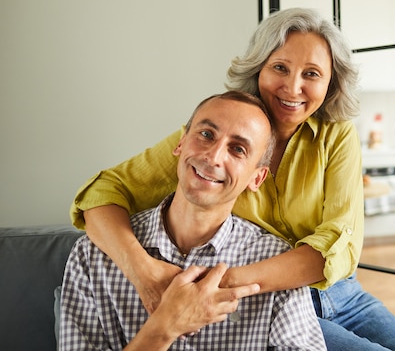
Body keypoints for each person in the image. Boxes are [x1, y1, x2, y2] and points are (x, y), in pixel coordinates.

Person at [69, 8, 395, 351]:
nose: (292, 87)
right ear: (258, 67)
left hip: (340, 293)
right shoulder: (214, 135)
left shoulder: (336, 136)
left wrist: (215, 284)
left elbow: (339, 244)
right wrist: (145, 273)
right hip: (269, 303)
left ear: (331, 82)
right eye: (280, 67)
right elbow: (101, 194)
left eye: (312, 74)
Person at [59, 92, 327, 351]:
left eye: (237, 149)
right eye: (206, 135)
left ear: (256, 178)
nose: (213, 156)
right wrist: (164, 327)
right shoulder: (93, 254)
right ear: (180, 144)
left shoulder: (274, 262)